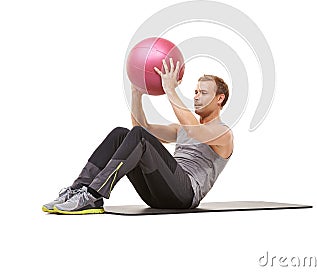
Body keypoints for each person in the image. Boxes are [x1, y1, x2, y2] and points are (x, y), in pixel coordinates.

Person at [42, 58, 234, 214]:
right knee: (121, 134)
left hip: (185, 195)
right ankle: (79, 188)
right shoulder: (181, 129)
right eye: (196, 92)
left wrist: (170, 89)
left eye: (204, 92)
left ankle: (92, 194)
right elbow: (141, 129)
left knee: (140, 136)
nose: (196, 96)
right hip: (156, 194)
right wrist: (136, 94)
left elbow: (194, 131)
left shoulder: (223, 133)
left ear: (219, 98)